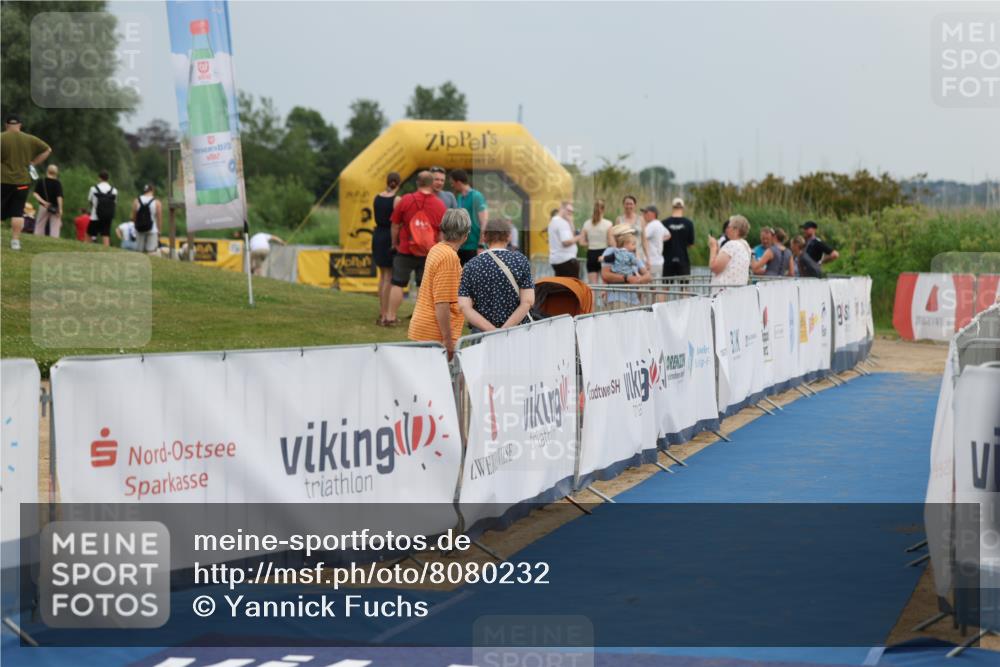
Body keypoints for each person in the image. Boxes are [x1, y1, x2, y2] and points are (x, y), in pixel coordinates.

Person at [407, 209, 470, 358]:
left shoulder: (437, 249)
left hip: (425, 328)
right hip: (434, 334)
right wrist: (447, 341)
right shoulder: (449, 257)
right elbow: (442, 303)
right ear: (465, 235)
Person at [387, 171, 447, 326]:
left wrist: (394, 243)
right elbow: (442, 232)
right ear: (431, 183)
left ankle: (390, 317)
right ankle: (422, 320)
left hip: (405, 249)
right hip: (428, 251)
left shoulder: (406, 200)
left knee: (398, 283)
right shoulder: (440, 204)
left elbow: (394, 225)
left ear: (417, 183)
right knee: (424, 286)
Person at [459, 219, 535, 332]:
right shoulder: (520, 260)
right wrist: (504, 331)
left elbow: (464, 306)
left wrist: (492, 330)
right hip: (517, 332)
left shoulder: (470, 265)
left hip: (481, 333)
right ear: (509, 236)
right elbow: (528, 301)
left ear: (484, 237)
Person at [1, 114, 51, 250]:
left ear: (6, 125)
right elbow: (48, 150)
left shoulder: (2, 138)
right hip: (22, 181)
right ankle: (15, 241)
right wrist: (33, 163)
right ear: (20, 125)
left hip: (3, 180)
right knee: (17, 212)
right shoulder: (30, 139)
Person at [372, 172, 401, 326]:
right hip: (389, 236)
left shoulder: (376, 197)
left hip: (377, 235)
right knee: (389, 276)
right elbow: (397, 222)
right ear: (399, 183)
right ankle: (386, 314)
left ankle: (382, 311)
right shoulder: (397, 200)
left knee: (382, 276)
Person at [601, 224, 651, 307]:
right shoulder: (611, 252)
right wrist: (627, 278)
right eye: (629, 234)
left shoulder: (633, 255)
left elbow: (648, 275)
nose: (632, 236)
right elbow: (605, 274)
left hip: (634, 300)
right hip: (617, 299)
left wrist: (639, 280)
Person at [450, 169, 487, 265]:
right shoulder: (459, 197)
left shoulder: (477, 196)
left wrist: (481, 244)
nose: (452, 185)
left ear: (458, 182)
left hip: (474, 247)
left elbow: (484, 221)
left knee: (475, 278)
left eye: (452, 183)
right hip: (460, 246)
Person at [708, 214, 752, 291]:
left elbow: (714, 267)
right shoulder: (745, 245)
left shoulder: (732, 245)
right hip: (737, 291)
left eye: (729, 227)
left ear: (736, 230)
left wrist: (713, 248)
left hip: (724, 293)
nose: (726, 230)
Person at [580, 200, 613, 284]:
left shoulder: (586, 223)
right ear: (603, 209)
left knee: (593, 286)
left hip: (591, 254)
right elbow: (611, 242)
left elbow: (581, 242)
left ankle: (592, 298)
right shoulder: (608, 224)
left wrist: (591, 243)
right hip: (604, 254)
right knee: (605, 286)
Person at [662, 197, 695, 279]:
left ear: (672, 207)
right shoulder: (689, 223)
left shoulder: (664, 223)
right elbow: (691, 244)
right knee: (684, 288)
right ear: (683, 207)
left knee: (665, 287)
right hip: (683, 259)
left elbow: (661, 241)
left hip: (667, 259)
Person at [547, 201, 581, 278]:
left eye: (572, 212)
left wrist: (571, 222)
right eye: (568, 210)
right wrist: (580, 236)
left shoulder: (554, 221)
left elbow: (571, 237)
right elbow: (566, 242)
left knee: (562, 286)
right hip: (566, 260)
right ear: (562, 209)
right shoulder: (561, 223)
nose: (570, 213)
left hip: (559, 260)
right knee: (572, 286)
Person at [87, 170, 117, 246]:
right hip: (107, 217)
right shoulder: (114, 190)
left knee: (89, 234)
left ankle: (86, 250)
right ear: (108, 178)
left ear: (99, 178)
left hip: (95, 215)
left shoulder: (93, 188)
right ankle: (106, 252)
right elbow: (115, 203)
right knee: (106, 235)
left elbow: (90, 201)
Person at [32, 164, 63, 238]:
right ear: (56, 173)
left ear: (47, 171)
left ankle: (37, 237)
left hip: (43, 206)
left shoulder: (41, 181)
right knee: (55, 225)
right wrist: (60, 209)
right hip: (55, 207)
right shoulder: (57, 183)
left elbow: (35, 194)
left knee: (40, 223)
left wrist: (43, 202)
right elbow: (59, 197)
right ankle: (54, 239)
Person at [641, 205, 670, 284]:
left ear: (653, 214)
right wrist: (658, 239)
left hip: (650, 262)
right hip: (658, 261)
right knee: (655, 287)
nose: (643, 214)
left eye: (646, 212)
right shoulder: (659, 224)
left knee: (646, 288)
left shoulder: (652, 225)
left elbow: (642, 237)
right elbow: (668, 235)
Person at [615, 195, 649, 260]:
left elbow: (644, 240)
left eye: (631, 204)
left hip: (639, 256)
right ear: (623, 205)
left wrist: (648, 258)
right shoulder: (619, 219)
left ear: (634, 205)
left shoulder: (641, 219)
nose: (629, 206)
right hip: (623, 256)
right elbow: (616, 240)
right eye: (627, 204)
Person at [131, 185, 161, 255]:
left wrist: (135, 226)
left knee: (139, 252)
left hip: (139, 228)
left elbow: (133, 217)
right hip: (152, 230)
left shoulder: (136, 201)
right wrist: (159, 231)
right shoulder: (157, 202)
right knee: (151, 252)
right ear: (152, 190)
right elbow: (159, 218)